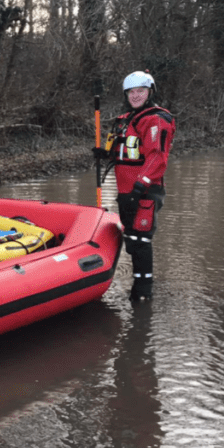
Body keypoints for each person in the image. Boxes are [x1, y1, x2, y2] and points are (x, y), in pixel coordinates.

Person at [94, 71, 175, 301]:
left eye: (140, 91)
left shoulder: (156, 119)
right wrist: (106, 154)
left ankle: (143, 292)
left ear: (150, 92)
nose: (136, 95)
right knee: (131, 239)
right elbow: (127, 152)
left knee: (141, 241)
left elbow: (157, 157)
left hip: (145, 191)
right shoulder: (126, 119)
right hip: (126, 190)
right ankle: (139, 286)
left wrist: (141, 186)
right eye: (131, 92)